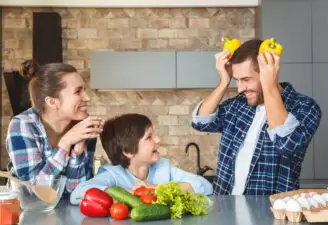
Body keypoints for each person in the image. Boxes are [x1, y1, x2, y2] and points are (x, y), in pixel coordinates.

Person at [191, 39, 322, 195]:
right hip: (226, 209)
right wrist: (224, 82)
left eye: (246, 80)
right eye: (237, 80)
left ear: (268, 71)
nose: (240, 89)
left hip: (270, 212)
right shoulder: (237, 105)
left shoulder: (304, 106)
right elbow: (201, 122)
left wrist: (269, 84)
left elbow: (287, 143)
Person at [6, 60, 104, 196]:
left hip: (68, 213)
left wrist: (78, 150)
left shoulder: (83, 127)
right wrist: (65, 143)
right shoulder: (23, 126)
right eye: (78, 91)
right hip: (26, 213)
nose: (86, 97)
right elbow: (34, 192)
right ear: (52, 102)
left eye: (84, 90)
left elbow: (77, 194)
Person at [70, 113, 212, 205]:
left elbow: (205, 185)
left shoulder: (163, 167)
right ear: (128, 151)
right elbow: (78, 193)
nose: (158, 139)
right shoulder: (112, 174)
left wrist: (157, 189)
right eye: (149, 137)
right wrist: (132, 193)